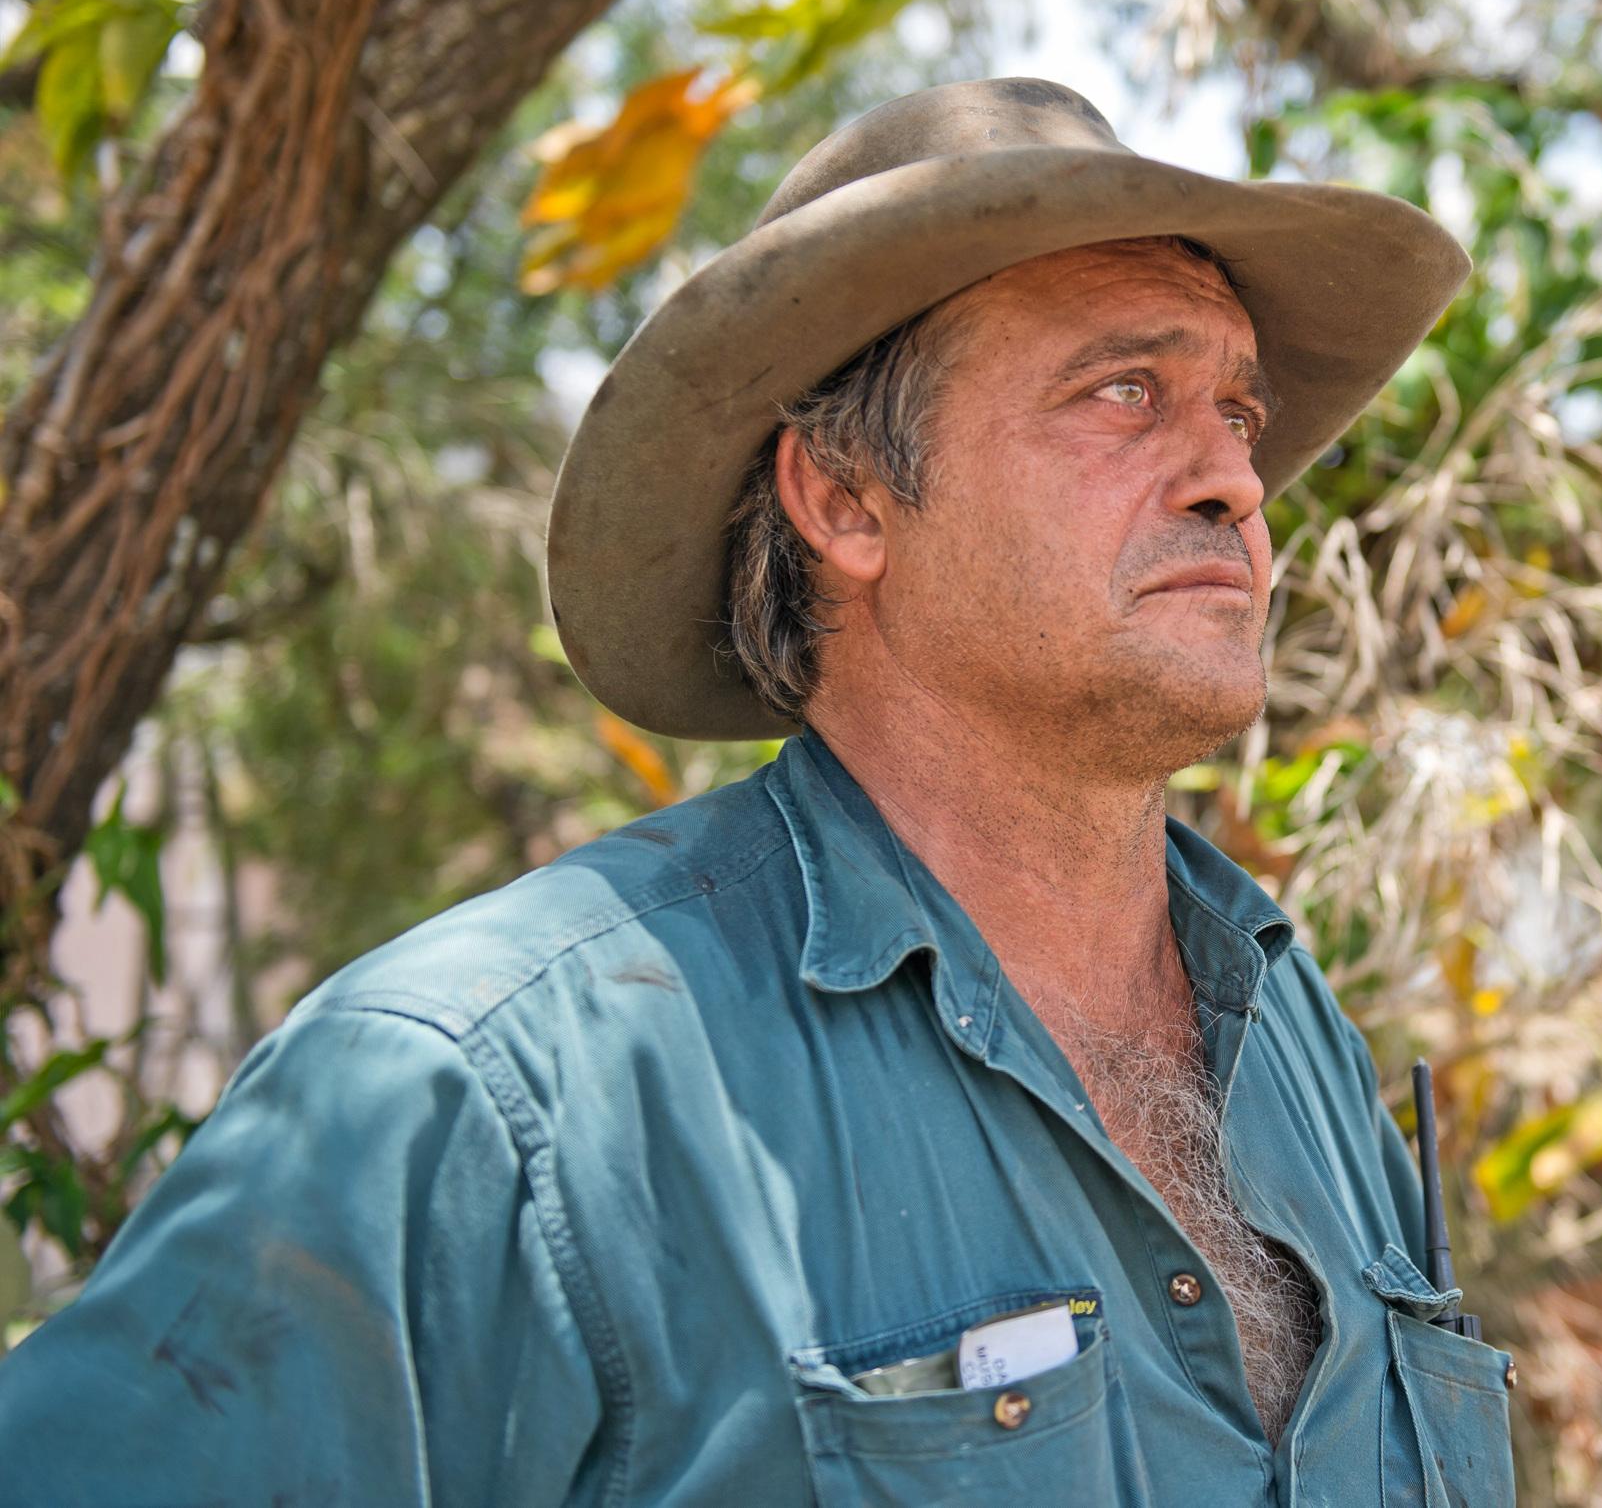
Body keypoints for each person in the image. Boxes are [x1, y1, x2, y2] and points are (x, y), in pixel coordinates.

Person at [0, 77, 1519, 1505]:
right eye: (1124, 391)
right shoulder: (487, 1089)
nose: (1233, 481)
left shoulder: (1296, 1038)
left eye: (1238, 415)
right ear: (844, 500)